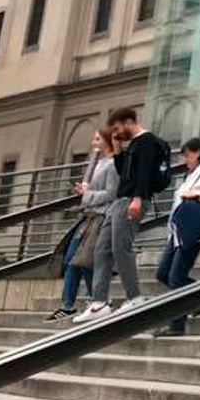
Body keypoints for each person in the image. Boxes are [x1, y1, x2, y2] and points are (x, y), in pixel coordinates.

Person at [79, 108, 161, 321]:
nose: (116, 133)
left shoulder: (147, 141)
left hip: (131, 201)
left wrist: (137, 198)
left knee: (120, 247)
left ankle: (135, 297)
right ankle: (99, 302)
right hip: (119, 201)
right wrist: (117, 149)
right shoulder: (132, 144)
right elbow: (125, 172)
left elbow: (143, 173)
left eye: (117, 129)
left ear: (128, 122)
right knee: (102, 249)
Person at [152, 138, 200, 337]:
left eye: (187, 155)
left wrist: (198, 196)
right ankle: (199, 297)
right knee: (163, 273)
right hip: (179, 233)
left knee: (175, 276)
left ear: (198, 152)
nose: (185, 160)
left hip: (193, 233)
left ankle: (177, 325)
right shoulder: (192, 174)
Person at [53, 126, 116, 322]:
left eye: (97, 139)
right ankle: (73, 304)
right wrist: (83, 191)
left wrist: (88, 194)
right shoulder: (96, 162)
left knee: (84, 261)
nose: (94, 143)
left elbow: (111, 194)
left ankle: (96, 300)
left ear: (107, 140)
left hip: (100, 217)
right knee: (73, 259)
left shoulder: (113, 165)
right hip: (87, 216)